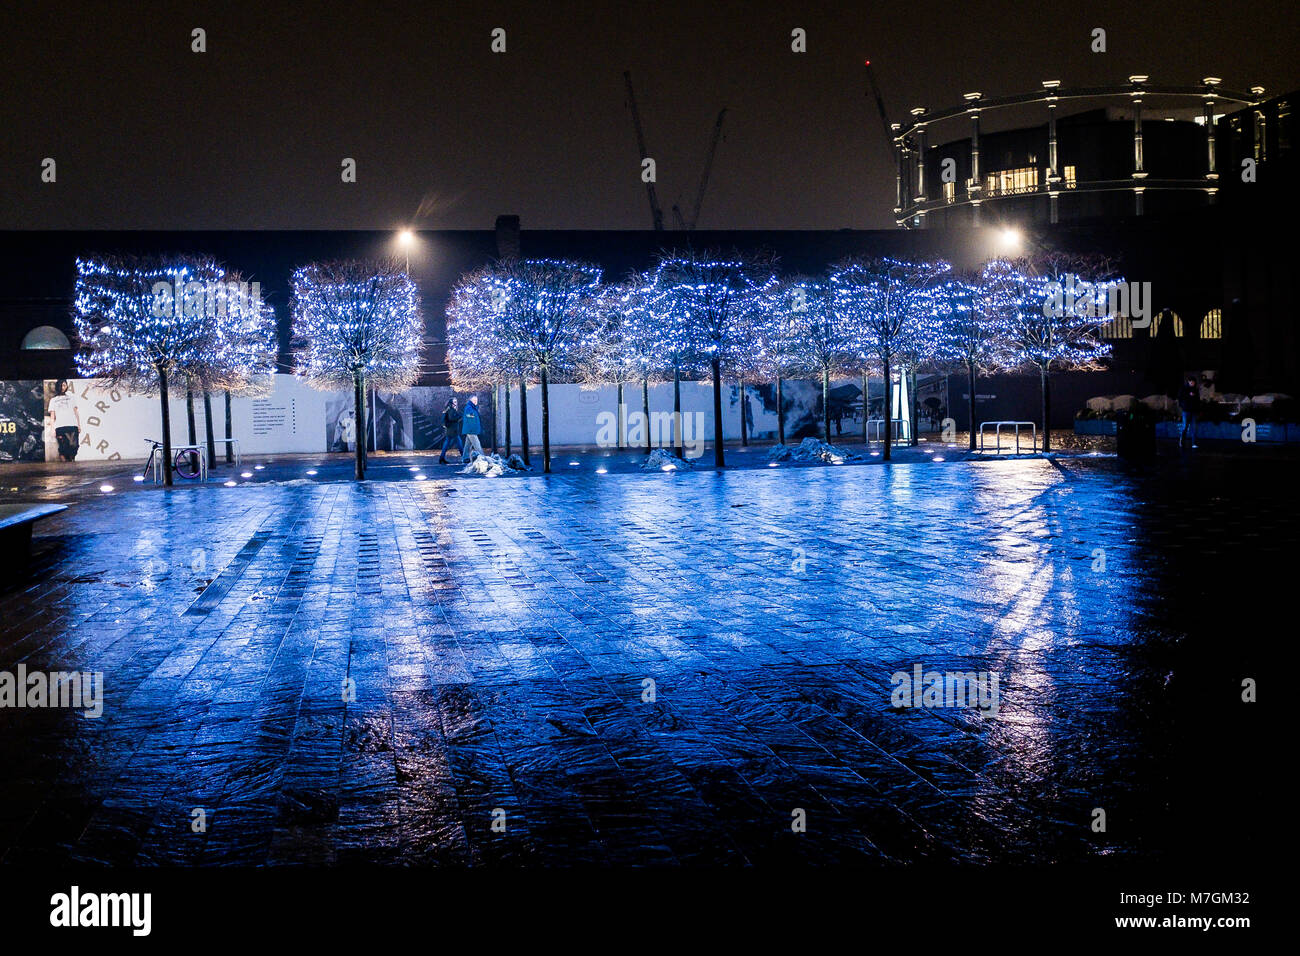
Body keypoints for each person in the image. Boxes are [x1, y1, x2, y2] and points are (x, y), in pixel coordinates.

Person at [48, 379, 81, 462]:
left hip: (72, 425)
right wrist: (52, 429)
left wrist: (79, 425)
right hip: (60, 426)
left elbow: (76, 412)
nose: (63, 387)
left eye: (64, 385)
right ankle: (64, 467)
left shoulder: (71, 398)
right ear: (57, 387)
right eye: (61, 385)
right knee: (63, 446)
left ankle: (72, 462)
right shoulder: (53, 400)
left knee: (74, 445)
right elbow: (52, 416)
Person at [1177, 374, 1200, 449]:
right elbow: (1180, 399)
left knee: (1194, 427)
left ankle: (1194, 443)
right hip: (1186, 411)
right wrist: (1184, 405)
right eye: (1191, 382)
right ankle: (1182, 441)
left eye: (1193, 382)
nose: (1192, 383)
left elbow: (1197, 400)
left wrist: (1197, 408)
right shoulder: (1183, 389)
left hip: (1194, 411)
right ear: (1188, 382)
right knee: (1185, 427)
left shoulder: (1196, 390)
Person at [439, 396, 463, 463]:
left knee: (447, 443)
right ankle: (463, 457)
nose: (456, 403)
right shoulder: (451, 409)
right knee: (459, 443)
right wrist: (460, 416)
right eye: (454, 401)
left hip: (450, 429)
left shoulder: (449, 408)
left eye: (456, 401)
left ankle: (441, 457)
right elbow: (451, 418)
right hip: (453, 430)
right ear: (451, 402)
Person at [461, 394, 484, 461]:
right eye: (474, 400)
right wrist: (471, 415)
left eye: (476, 400)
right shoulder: (469, 407)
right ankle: (483, 458)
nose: (475, 401)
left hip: (471, 429)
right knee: (477, 445)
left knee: (467, 445)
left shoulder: (473, 407)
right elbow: (468, 415)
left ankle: (465, 458)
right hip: (471, 430)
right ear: (470, 400)